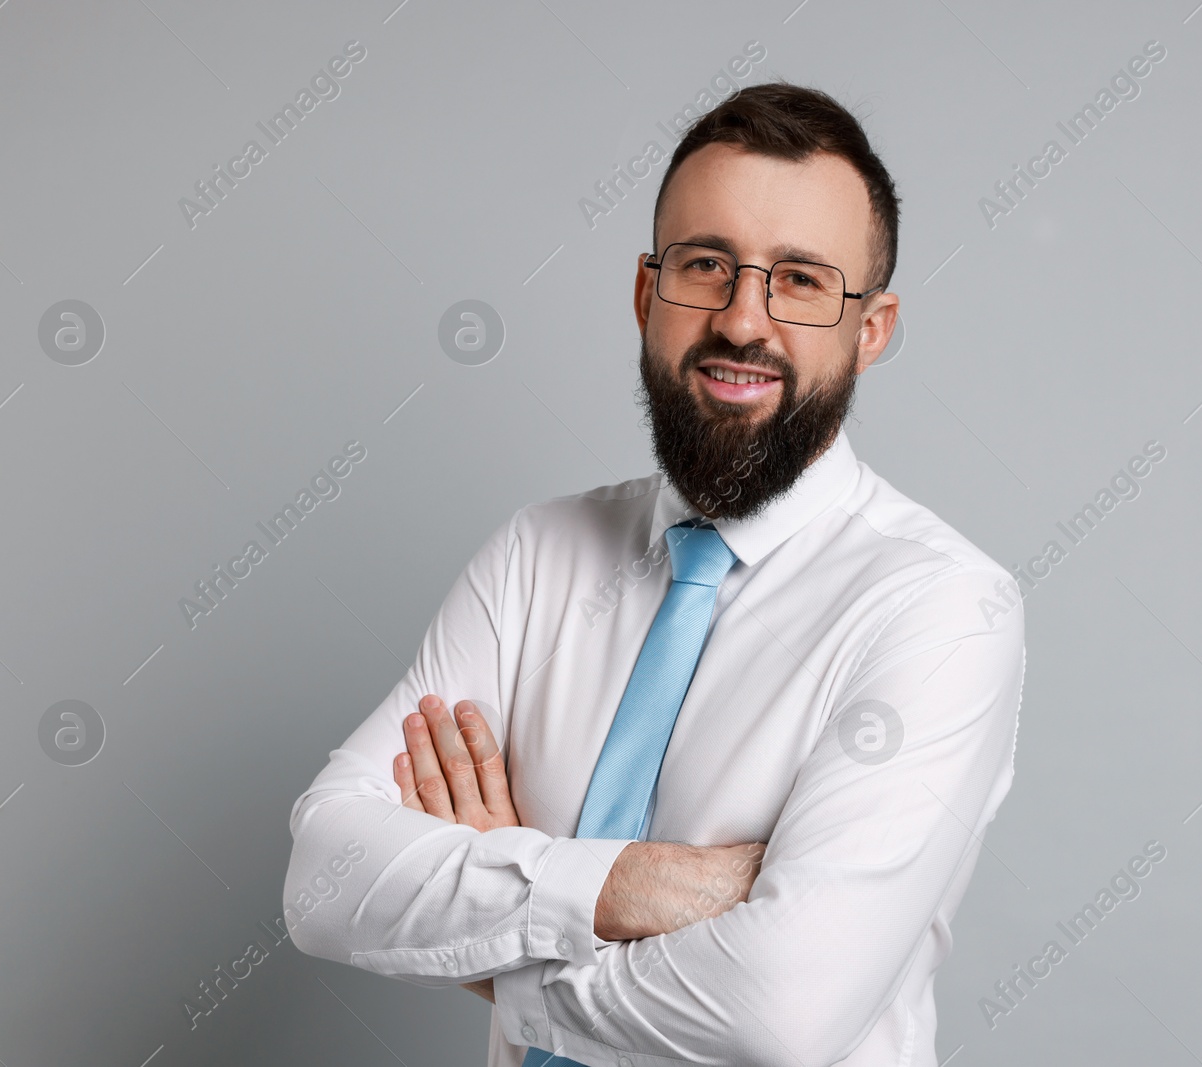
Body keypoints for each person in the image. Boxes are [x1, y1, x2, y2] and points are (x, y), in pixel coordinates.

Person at [284, 81, 1026, 1067]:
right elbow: (323, 876)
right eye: (706, 264)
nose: (741, 320)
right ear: (647, 293)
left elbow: (780, 1013)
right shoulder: (534, 556)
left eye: (801, 280)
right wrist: (624, 882)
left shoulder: (941, 610)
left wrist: (502, 936)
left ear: (871, 329)